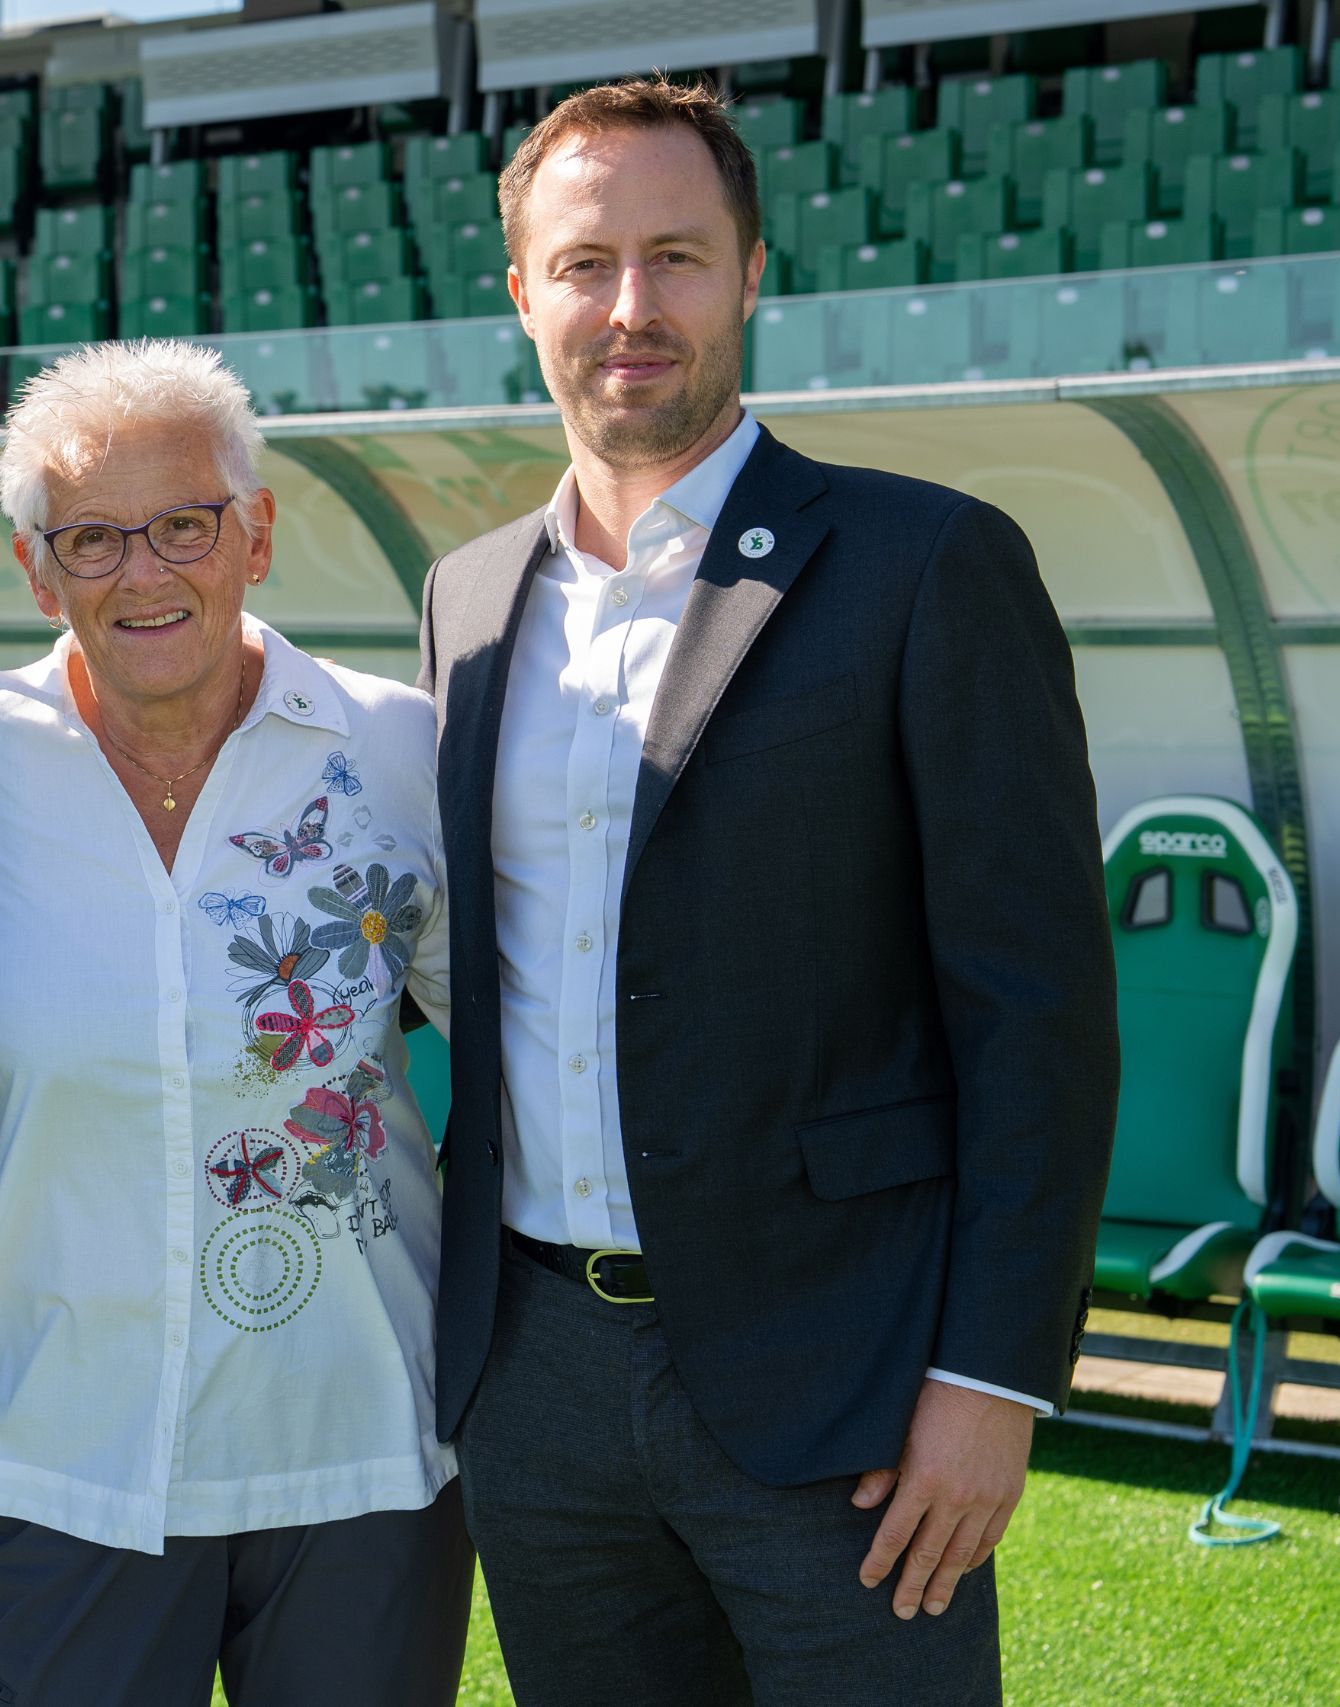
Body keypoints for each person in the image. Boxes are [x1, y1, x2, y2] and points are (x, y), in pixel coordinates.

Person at [416, 79, 1117, 1704]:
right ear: (523, 293)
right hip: (534, 1385)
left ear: (749, 275)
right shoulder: (464, 599)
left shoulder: (929, 564)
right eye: (586, 265)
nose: (631, 308)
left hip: (849, 1382)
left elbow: (1038, 1018)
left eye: (678, 257)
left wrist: (990, 1377)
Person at [0, 340, 474, 1706]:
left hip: (360, 1443)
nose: (143, 573)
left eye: (184, 525)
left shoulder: (401, 752)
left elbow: (525, 1047)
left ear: (256, 532)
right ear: (38, 570)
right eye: (92, 538)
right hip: (61, 1442)